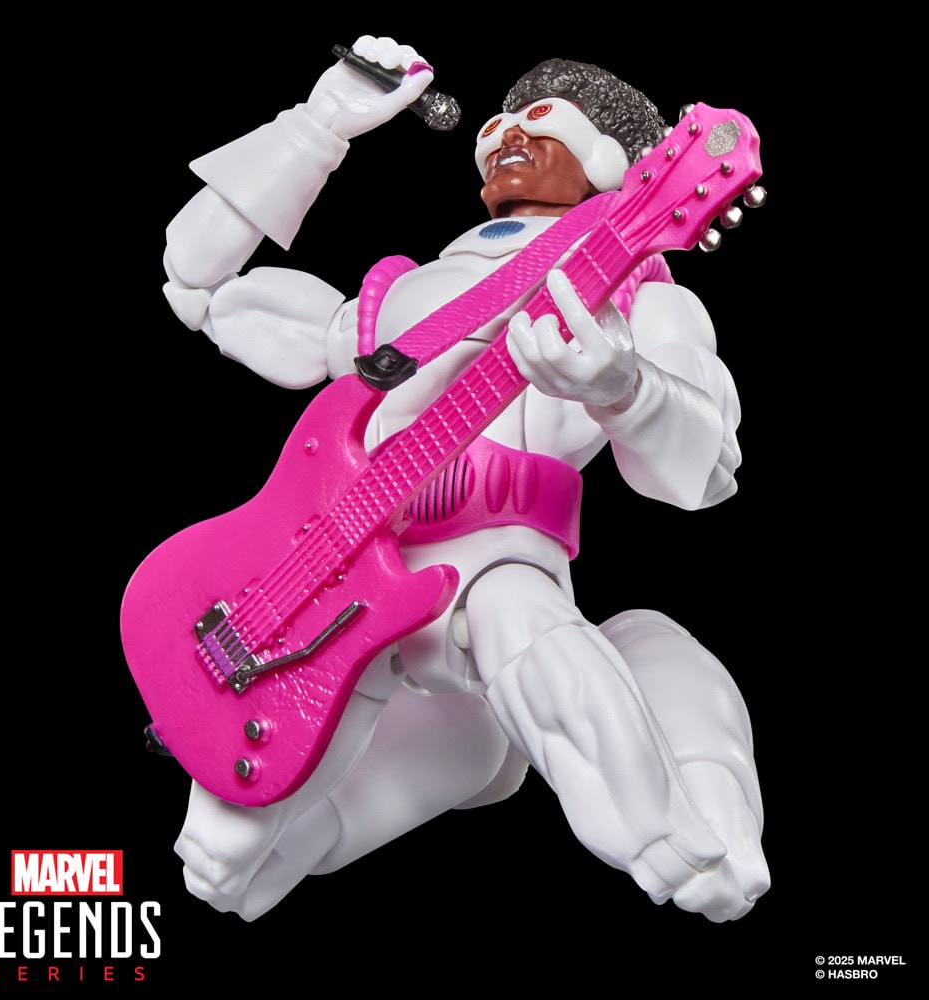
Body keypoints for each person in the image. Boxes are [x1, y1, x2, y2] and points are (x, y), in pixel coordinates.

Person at [160, 35, 769, 923]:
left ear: (619, 161)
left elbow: (704, 468)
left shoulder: (638, 295)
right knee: (229, 868)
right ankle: (456, 752)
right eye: (500, 120)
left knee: (529, 623)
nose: (506, 132)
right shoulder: (392, 298)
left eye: (544, 120)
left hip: (501, 565)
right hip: (331, 589)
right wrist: (318, 123)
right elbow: (199, 284)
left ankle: (680, 838)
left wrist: (624, 388)